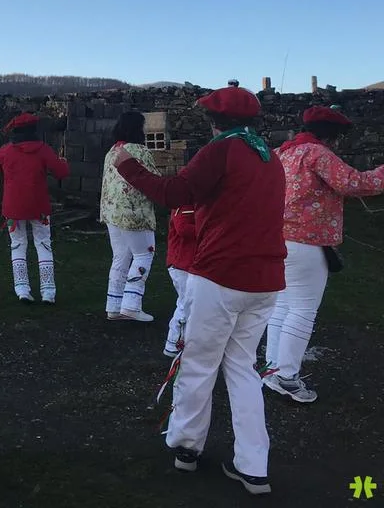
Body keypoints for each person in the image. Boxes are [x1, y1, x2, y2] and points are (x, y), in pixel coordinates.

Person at [112, 83, 286, 496]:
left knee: (199, 362)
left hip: (221, 274)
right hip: (266, 279)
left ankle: (186, 446)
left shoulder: (221, 150)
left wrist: (128, 166)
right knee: (243, 368)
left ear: (213, 121)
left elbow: (176, 193)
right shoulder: (269, 157)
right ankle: (253, 467)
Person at [264, 105, 384, 403]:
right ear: (331, 136)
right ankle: (287, 377)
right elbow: (354, 183)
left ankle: (272, 369)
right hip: (307, 241)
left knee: (282, 306)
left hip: (277, 238)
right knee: (303, 310)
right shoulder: (318, 154)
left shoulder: (282, 153)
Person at [0, 113, 70, 303]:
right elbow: (62, 172)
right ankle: (48, 292)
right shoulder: (44, 150)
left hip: (13, 209)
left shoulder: (6, 151)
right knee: (43, 244)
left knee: (18, 245)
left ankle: (22, 289)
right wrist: (62, 161)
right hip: (39, 207)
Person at [99, 112, 161, 321]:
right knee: (144, 254)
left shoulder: (112, 151)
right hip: (135, 212)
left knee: (120, 257)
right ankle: (131, 304)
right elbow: (153, 179)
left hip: (111, 212)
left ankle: (114, 305)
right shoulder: (140, 151)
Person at [163, 206, 197, 357]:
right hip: (181, 264)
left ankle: (180, 341)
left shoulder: (194, 204)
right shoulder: (184, 204)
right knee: (186, 303)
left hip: (188, 263)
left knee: (189, 302)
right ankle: (175, 343)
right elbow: (182, 228)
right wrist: (209, 231)